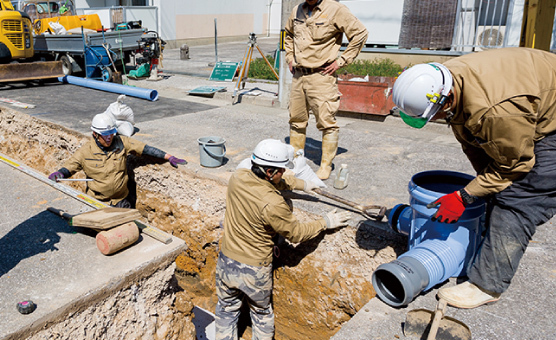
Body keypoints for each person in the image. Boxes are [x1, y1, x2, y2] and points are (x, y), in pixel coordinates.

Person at [392, 47, 556, 309]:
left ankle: (487, 284)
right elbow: (473, 141)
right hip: (547, 101)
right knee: (497, 183)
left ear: (445, 100)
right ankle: (490, 239)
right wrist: (482, 187)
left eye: (434, 114)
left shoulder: (496, 110)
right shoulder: (444, 79)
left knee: (524, 192)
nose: (436, 119)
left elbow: (515, 165)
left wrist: (464, 196)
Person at [215, 139, 352, 340]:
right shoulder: (273, 204)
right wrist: (325, 222)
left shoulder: (238, 176)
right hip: (254, 270)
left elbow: (274, 183)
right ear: (270, 172)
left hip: (226, 262)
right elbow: (295, 233)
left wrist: (303, 184)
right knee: (261, 314)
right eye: (281, 170)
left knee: (226, 309)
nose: (284, 173)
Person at [284, 0, 368, 180]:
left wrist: (341, 61)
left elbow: (360, 33)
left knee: (327, 122)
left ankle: (325, 166)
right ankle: (297, 162)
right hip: (299, 75)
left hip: (321, 76)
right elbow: (289, 35)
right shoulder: (297, 10)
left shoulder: (335, 9)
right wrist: (289, 57)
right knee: (296, 120)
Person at [48, 113, 187, 208]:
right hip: (97, 202)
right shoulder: (85, 152)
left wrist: (169, 157)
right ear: (95, 134)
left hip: (121, 201)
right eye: (105, 135)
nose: (109, 138)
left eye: (111, 134)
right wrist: (60, 174)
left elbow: (144, 148)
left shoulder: (121, 142)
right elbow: (70, 167)